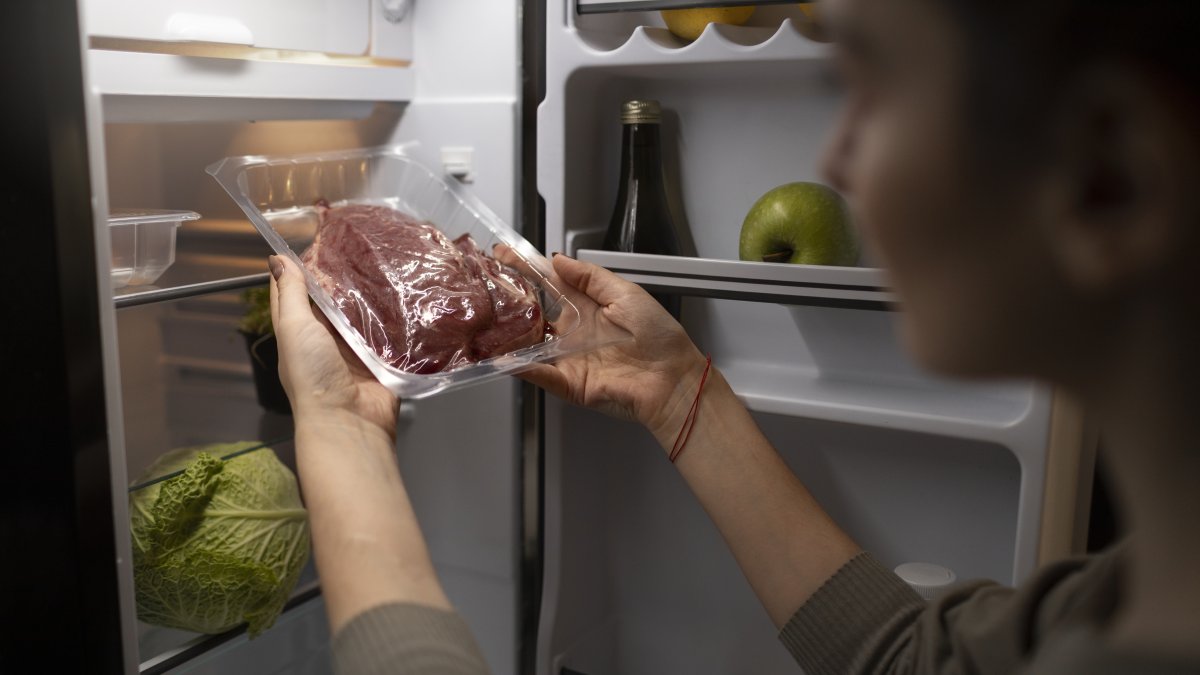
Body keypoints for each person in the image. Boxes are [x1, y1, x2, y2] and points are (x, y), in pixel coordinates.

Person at [267, 0, 1200, 672]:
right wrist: (681, 394)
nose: (837, 159)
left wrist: (342, 429)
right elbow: (912, 658)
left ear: (1111, 173)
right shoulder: (1107, 609)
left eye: (873, 84)